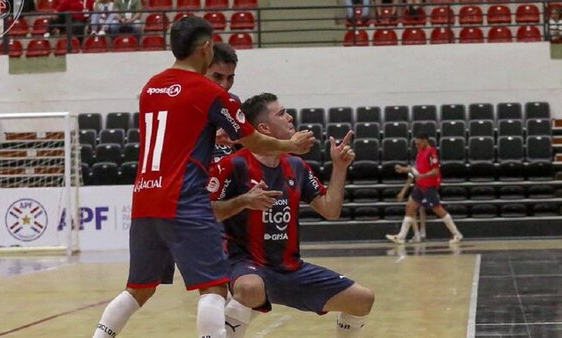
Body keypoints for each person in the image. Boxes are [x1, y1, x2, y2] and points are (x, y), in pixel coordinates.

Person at [92, 17, 315, 338]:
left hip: (144, 198)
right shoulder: (208, 92)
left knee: (138, 289)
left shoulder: (151, 86)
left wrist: (214, 135)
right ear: (205, 48)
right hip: (184, 199)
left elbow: (179, 134)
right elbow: (256, 141)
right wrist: (290, 145)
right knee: (213, 288)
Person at [209, 93, 374, 338]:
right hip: (246, 265)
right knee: (249, 287)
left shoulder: (296, 166)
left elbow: (330, 210)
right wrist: (244, 201)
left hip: (290, 268)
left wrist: (339, 168)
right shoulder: (234, 165)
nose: (290, 117)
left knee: (363, 299)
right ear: (264, 127)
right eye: (281, 113)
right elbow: (207, 214)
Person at [386, 132, 463, 245]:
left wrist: (422, 175)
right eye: (415, 144)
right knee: (409, 207)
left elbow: (435, 172)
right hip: (420, 186)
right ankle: (401, 236)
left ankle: (457, 234)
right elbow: (415, 168)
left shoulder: (432, 153)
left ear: (425, 141)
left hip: (429, 186)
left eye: (418, 144)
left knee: (438, 209)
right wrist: (403, 169)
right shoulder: (420, 152)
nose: (416, 146)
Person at [205, 42, 240, 163]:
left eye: (230, 78)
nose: (225, 84)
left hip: (228, 176)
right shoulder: (184, 103)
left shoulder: (234, 102)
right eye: (217, 77)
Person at [396, 175, 426, 243]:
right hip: (428, 185)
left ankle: (417, 235)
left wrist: (402, 192)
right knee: (421, 208)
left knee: (411, 208)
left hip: (421, 186)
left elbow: (411, 177)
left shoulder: (417, 165)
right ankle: (422, 232)